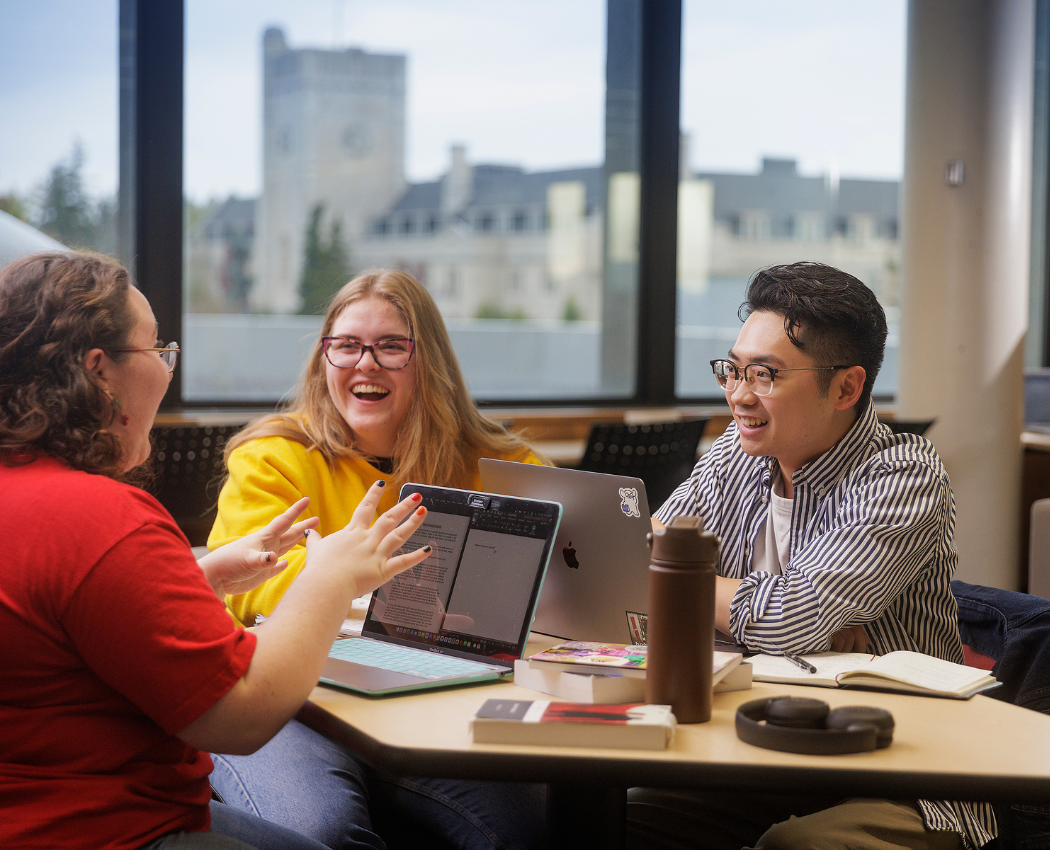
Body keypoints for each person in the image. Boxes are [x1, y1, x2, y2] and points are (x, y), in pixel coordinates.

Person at [0, 252, 432, 850]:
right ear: (100, 371)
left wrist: (197, 579)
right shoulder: (104, 519)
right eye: (158, 350)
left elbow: (59, 630)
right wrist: (329, 577)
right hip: (102, 828)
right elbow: (241, 719)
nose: (168, 370)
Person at [627, 263, 995, 850]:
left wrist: (698, 589)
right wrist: (761, 612)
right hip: (761, 750)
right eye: (734, 370)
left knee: (795, 847)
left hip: (907, 774)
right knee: (615, 816)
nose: (739, 396)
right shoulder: (737, 452)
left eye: (766, 375)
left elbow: (786, 616)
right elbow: (635, 564)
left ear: (846, 388)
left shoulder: (903, 474)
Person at [206, 269, 547, 850]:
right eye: (346, 346)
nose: (366, 363)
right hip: (285, 699)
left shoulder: (496, 461)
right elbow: (250, 587)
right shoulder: (274, 457)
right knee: (324, 831)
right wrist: (379, 598)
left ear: (428, 362)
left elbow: (561, 566)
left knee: (521, 829)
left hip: (428, 694)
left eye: (391, 346)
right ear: (323, 360)